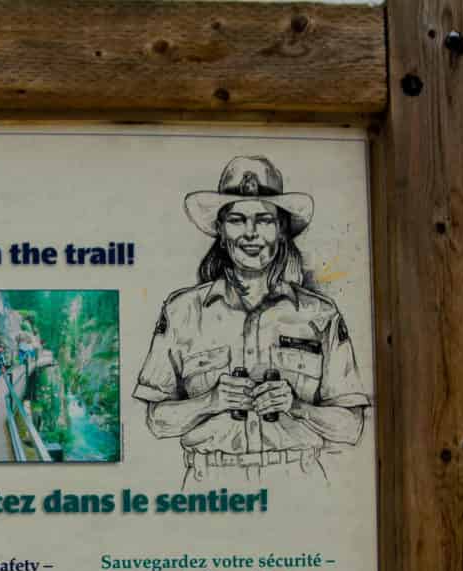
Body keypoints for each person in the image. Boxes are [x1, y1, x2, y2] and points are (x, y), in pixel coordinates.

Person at [133, 156, 370, 485]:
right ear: (220, 228)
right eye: (237, 219)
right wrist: (210, 401)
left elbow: (351, 426)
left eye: (264, 220)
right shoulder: (181, 311)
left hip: (299, 486)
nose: (250, 234)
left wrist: (297, 406)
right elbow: (157, 421)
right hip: (210, 489)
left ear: (282, 229)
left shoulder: (321, 314)